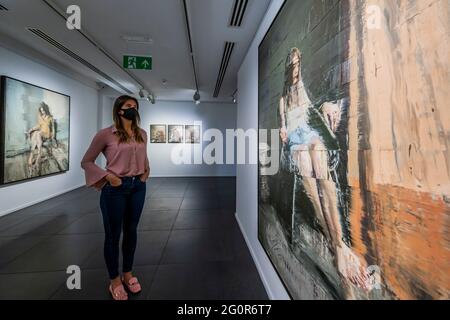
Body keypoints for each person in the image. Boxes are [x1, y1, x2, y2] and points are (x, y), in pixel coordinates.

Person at [279, 48, 368, 293]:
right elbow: (283, 128)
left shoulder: (308, 82)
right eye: (292, 66)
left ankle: (338, 243)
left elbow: (321, 100)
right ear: (288, 69)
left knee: (321, 170)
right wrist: (283, 131)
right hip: (297, 140)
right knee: (308, 174)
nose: (295, 70)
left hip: (312, 133)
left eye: (298, 64)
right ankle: (334, 242)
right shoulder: (284, 97)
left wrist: (327, 105)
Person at [81, 95, 150, 300]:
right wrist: (107, 176)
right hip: (115, 189)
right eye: (129, 106)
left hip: (138, 187)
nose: (133, 109)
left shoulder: (142, 134)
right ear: (119, 110)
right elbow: (87, 161)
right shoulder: (105, 135)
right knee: (113, 235)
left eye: (135, 106)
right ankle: (114, 280)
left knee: (131, 231)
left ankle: (128, 273)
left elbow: (144, 157)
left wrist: (146, 171)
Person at [27, 102, 56, 168]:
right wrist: (31, 129)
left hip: (47, 133)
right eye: (41, 111)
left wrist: (53, 136)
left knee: (38, 133)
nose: (43, 112)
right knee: (35, 133)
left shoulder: (50, 117)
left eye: (43, 110)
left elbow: (53, 128)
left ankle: (37, 154)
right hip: (41, 133)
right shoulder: (40, 117)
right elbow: (39, 126)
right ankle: (36, 154)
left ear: (46, 109)